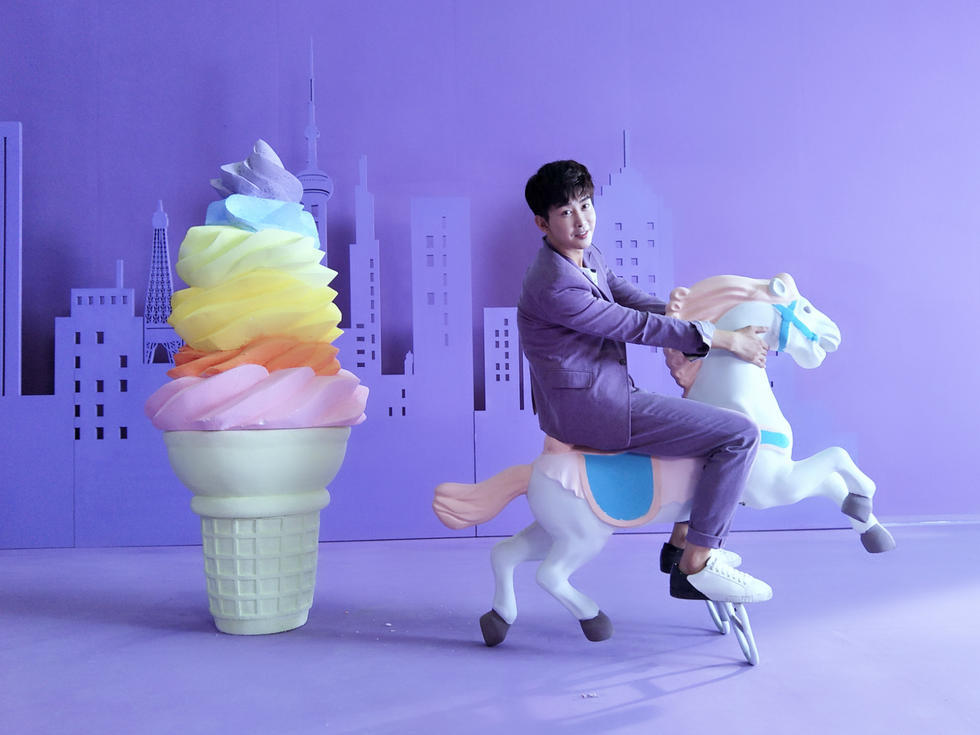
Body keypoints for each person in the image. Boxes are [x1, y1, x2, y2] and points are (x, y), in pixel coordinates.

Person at [517, 160, 772, 604]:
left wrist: (694, 318)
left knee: (712, 430)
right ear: (543, 223)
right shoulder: (554, 285)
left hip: (608, 391)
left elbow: (632, 299)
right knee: (740, 435)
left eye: (585, 205)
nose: (581, 221)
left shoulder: (585, 256)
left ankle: (680, 545)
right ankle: (696, 564)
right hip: (594, 408)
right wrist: (724, 339)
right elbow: (630, 324)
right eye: (566, 212)